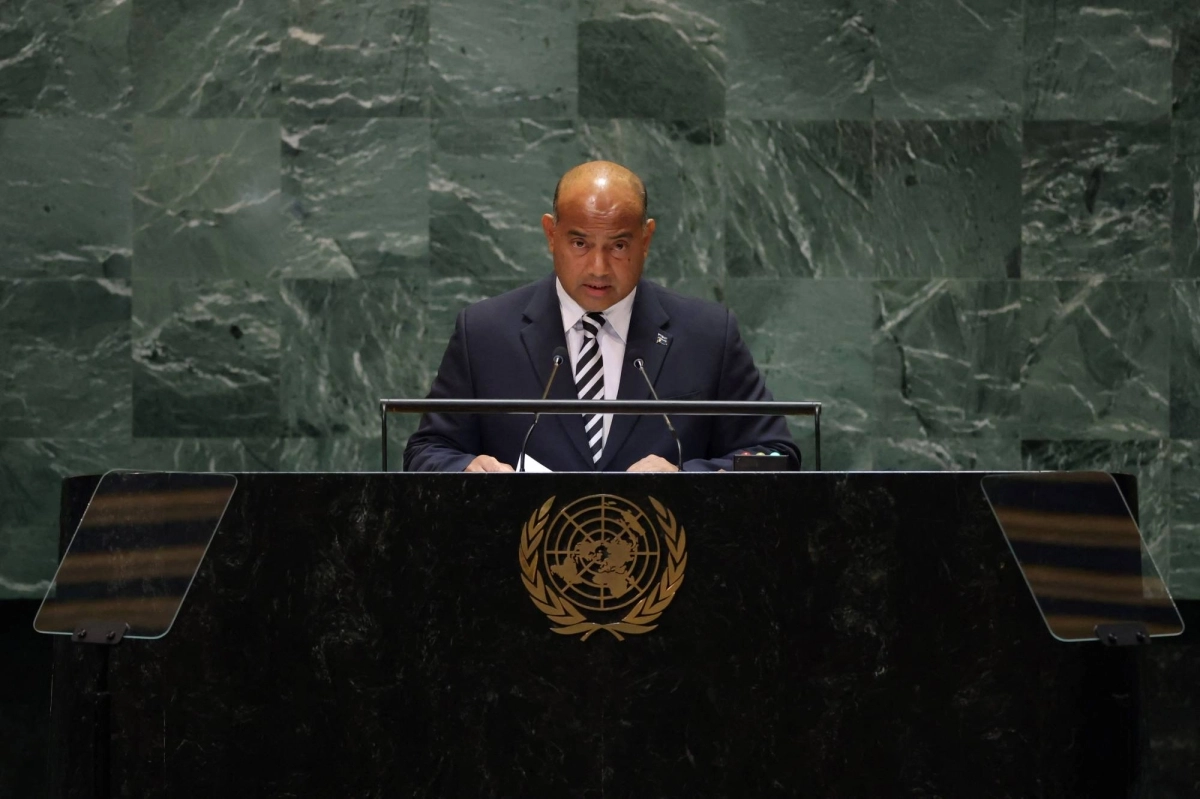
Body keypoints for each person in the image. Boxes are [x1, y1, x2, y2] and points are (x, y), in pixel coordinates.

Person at [403, 160, 799, 473]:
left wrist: (686, 479)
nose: (598, 267)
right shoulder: (485, 333)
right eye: (579, 242)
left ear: (646, 239)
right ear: (550, 234)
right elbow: (427, 451)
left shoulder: (708, 334)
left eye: (619, 245)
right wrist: (467, 467)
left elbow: (776, 456)